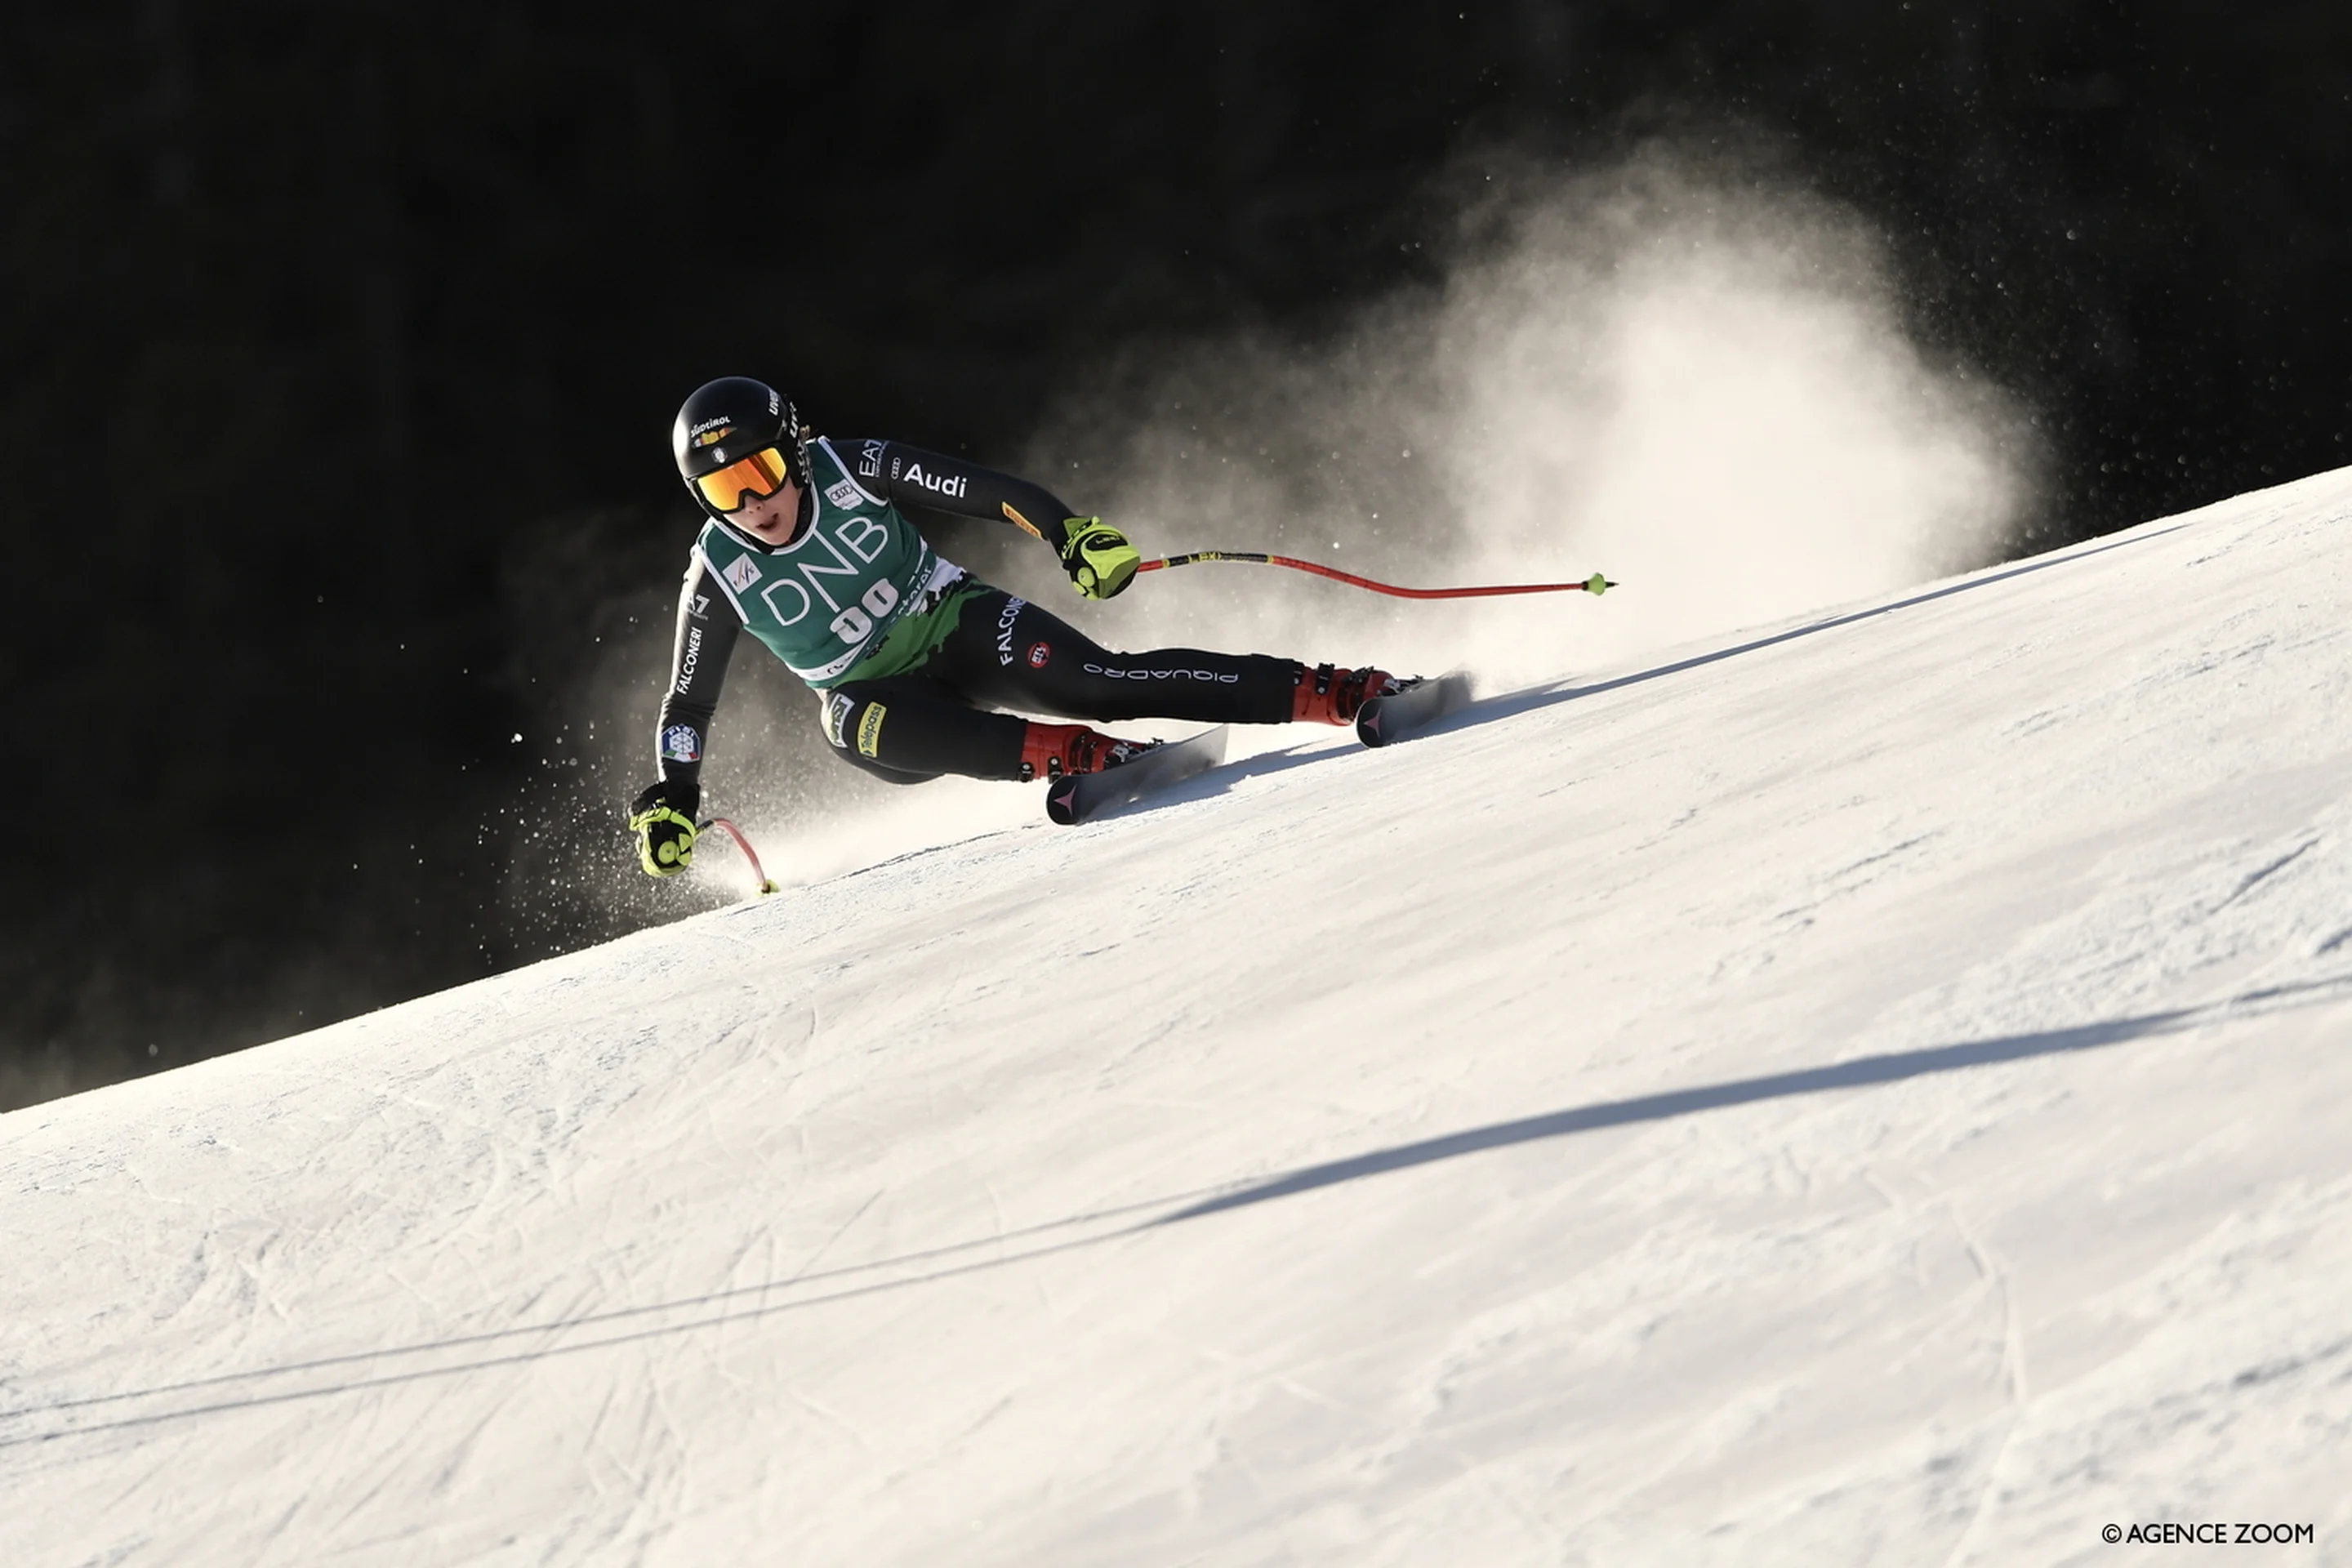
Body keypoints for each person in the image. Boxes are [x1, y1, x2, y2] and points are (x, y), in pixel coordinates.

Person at [627, 376, 1411, 876]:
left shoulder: (848, 467)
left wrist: (1068, 534)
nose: (752, 506)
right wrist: (676, 795)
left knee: (1100, 681)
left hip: (952, 620)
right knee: (845, 722)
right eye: (723, 491)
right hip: (886, 701)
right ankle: (1075, 757)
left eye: (759, 474)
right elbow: (688, 705)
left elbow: (982, 489)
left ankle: (1335, 692)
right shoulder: (719, 571)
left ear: (792, 454)